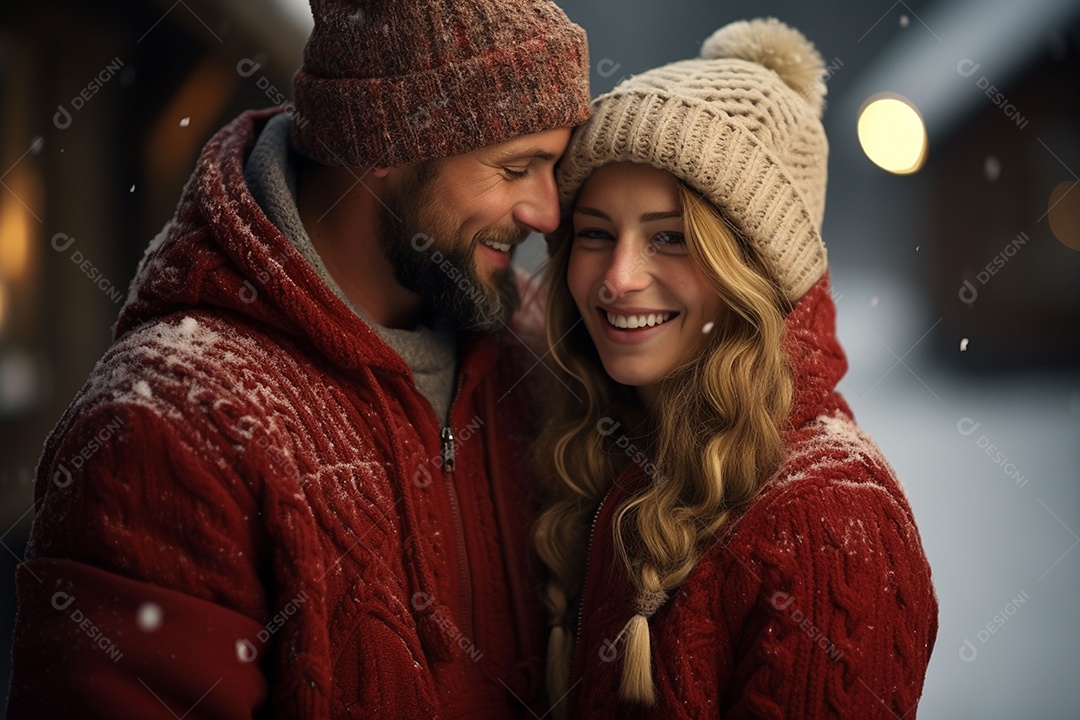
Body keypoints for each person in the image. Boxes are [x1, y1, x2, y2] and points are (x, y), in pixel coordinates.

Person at [8, 1, 589, 717]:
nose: (546, 212)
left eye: (553, 168)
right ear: (393, 135)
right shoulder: (169, 430)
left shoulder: (537, 348)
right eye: (515, 167)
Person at [533, 17, 938, 719]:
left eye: (671, 238)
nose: (618, 277)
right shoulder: (617, 447)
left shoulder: (827, 517)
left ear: (755, 269)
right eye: (595, 234)